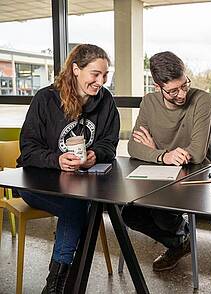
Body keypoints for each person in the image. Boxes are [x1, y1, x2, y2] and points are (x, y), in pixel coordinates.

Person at [17, 44, 120, 293]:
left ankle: (57, 285)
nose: (101, 81)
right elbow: (28, 149)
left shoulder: (105, 101)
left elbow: (110, 142)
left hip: (80, 185)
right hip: (36, 184)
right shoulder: (45, 99)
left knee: (78, 204)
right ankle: (59, 283)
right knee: (79, 206)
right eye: (95, 74)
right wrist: (57, 160)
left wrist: (96, 154)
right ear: (75, 69)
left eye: (105, 75)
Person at [121, 51, 211, 272]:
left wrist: (155, 150)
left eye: (184, 85)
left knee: (162, 211)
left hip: (193, 175)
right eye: (172, 91)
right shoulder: (149, 102)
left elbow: (197, 153)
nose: (181, 94)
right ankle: (180, 241)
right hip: (158, 175)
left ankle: (178, 241)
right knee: (130, 214)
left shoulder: (202, 99)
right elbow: (133, 147)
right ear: (157, 87)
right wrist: (163, 156)